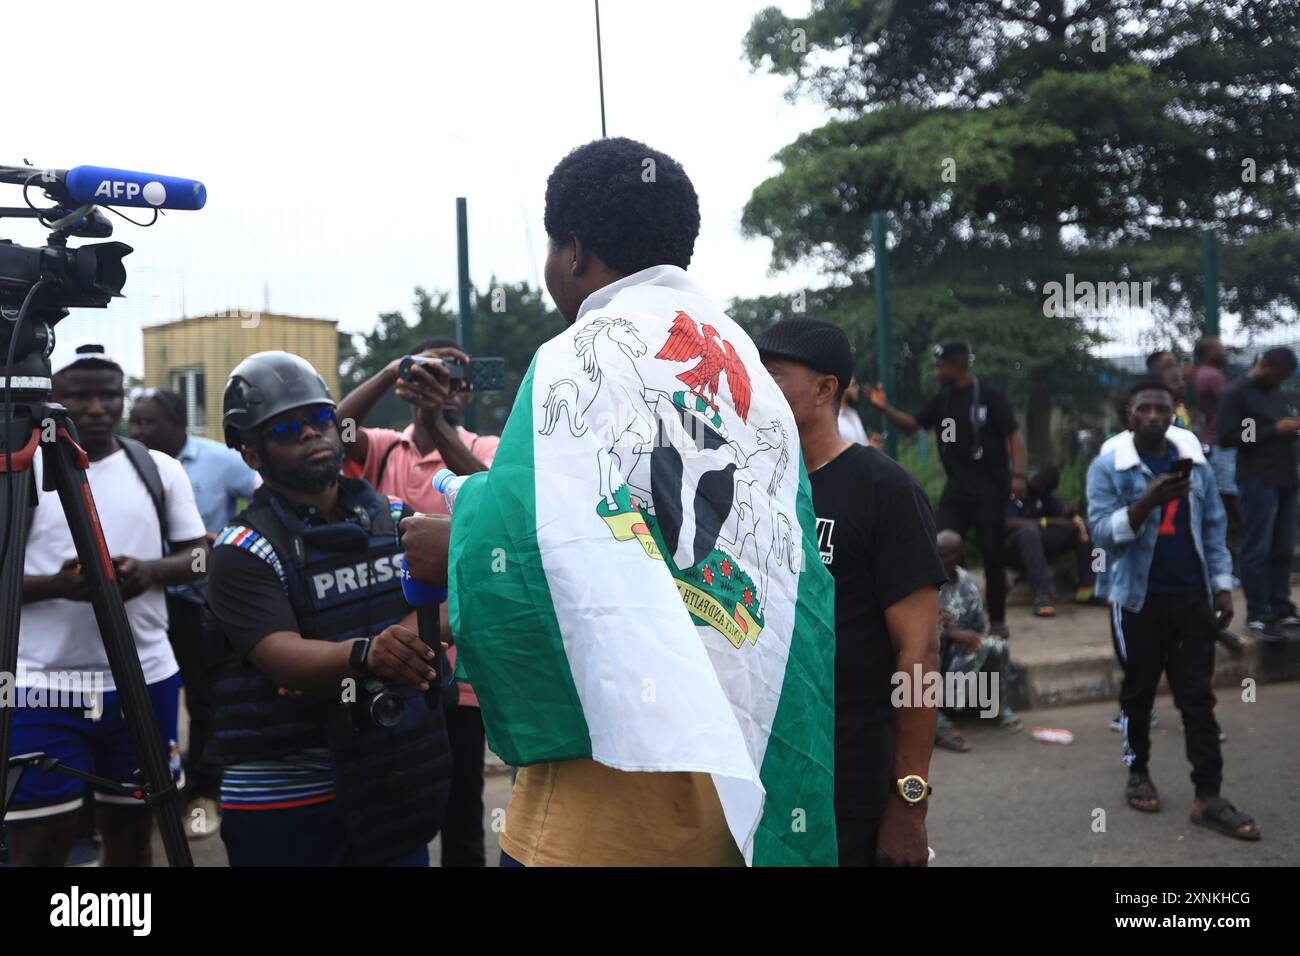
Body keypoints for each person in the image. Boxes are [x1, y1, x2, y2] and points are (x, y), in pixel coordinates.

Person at [401, 137, 839, 867]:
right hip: (733, 780)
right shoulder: (748, 372)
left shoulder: (577, 353)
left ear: (574, 252)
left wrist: (458, 540)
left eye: (551, 248)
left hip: (604, 806)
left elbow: (537, 537)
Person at [204, 351, 452, 866]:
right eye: (286, 429)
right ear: (251, 453)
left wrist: (364, 653)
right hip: (287, 797)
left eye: (320, 421)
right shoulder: (239, 549)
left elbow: (456, 598)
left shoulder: (397, 518)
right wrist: (369, 654)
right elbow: (280, 655)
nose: (310, 435)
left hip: (391, 783)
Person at [7, 342, 208, 866]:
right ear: (54, 396)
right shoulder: (18, 470)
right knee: (41, 844)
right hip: (40, 686)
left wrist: (149, 572)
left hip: (145, 681)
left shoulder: (158, 468)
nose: (97, 408)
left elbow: (201, 558)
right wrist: (55, 585)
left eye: (109, 395)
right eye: (81, 395)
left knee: (132, 835)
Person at [756, 316, 942, 866]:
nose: (759, 385)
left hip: (850, 771)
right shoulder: (753, 487)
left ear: (824, 388)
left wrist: (910, 802)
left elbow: (921, 654)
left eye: (775, 373)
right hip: (765, 763)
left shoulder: (886, 490)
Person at [336, 338, 499, 867]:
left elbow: (491, 495)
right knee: (391, 801)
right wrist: (388, 372)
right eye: (428, 377)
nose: (441, 389)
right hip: (395, 656)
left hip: (463, 662)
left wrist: (438, 422)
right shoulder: (385, 447)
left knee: (461, 810)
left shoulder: (486, 446)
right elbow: (331, 431)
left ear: (466, 393)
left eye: (452, 381)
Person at [1087, 379, 1258, 841]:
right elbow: (1101, 534)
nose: (1154, 417)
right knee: (1138, 692)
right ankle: (1137, 772)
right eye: (1144, 409)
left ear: (1173, 415)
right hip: (1136, 600)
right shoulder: (1109, 467)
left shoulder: (1194, 467)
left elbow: (1213, 529)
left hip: (1191, 599)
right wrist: (1146, 503)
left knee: (1197, 698)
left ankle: (1208, 795)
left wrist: (1222, 588)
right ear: (1129, 415)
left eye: (1163, 409)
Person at [128, 387, 261, 838]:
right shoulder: (122, 463)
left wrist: (225, 540)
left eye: (149, 422)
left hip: (200, 603)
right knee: (142, 691)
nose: (139, 431)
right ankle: (143, 787)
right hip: (140, 601)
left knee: (204, 698)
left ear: (177, 423)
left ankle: (203, 791)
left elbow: (263, 499)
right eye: (135, 422)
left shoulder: (218, 460)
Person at [866, 343, 1026, 636]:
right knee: (938, 550)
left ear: (958, 364)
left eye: (940, 365)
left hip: (990, 490)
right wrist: (884, 408)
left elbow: (1014, 435)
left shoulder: (990, 396)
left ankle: (998, 620)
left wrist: (1018, 475)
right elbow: (912, 425)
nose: (936, 371)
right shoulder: (943, 400)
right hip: (957, 491)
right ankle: (943, 616)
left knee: (993, 554)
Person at [1215, 346, 1300, 640]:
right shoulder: (1236, 393)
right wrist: (1274, 430)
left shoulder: (1275, 394)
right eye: (1278, 376)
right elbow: (1227, 437)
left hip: (1286, 479)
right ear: (1263, 365)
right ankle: (1258, 614)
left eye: (1285, 378)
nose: (1280, 382)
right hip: (1258, 480)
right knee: (1258, 548)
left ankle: (1281, 608)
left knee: (1283, 548)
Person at [933, 530, 1021, 753]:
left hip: (963, 653)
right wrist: (951, 633)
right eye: (938, 554)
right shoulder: (927, 583)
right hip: (935, 656)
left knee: (996, 646)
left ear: (958, 555)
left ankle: (993, 705)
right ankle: (937, 710)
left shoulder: (968, 582)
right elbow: (918, 628)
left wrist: (969, 637)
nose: (941, 560)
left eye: (946, 555)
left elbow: (979, 625)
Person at [1004, 466, 1096, 617]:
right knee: (1030, 531)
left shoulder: (1043, 494)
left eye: (1048, 488)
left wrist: (1067, 515)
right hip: (1010, 549)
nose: (1044, 490)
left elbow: (1060, 519)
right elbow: (1008, 522)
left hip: (1038, 546)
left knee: (1083, 527)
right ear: (1035, 479)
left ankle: (1087, 589)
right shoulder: (1014, 490)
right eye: (1043, 485)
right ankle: (1043, 596)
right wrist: (1049, 522)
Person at [1192, 337, 1239, 524]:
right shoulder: (1213, 376)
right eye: (1220, 349)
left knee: (1222, 490)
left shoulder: (1200, 374)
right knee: (1231, 492)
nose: (1224, 352)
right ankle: (1246, 537)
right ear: (1208, 353)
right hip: (1222, 440)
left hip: (1212, 438)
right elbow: (1231, 406)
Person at [837, 379, 869, 445]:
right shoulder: (833, 417)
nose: (857, 387)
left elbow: (863, 444)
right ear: (843, 387)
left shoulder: (853, 414)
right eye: (853, 384)